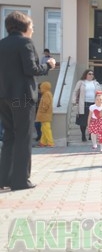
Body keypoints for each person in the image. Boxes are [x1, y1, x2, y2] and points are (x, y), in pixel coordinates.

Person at [0, 12, 55, 191]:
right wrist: (49, 65)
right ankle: (20, 180)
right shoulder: (25, 43)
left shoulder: (2, 44)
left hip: (4, 97)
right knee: (23, 137)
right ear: (24, 26)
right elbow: (31, 69)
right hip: (22, 97)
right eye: (31, 25)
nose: (33, 29)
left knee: (9, 137)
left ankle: (4, 179)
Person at [73, 69, 102, 142]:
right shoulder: (81, 82)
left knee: (93, 120)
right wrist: (74, 100)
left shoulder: (96, 83)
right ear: (86, 74)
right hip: (84, 103)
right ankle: (83, 135)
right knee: (83, 120)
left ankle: (91, 134)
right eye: (89, 74)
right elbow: (75, 91)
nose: (91, 75)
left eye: (92, 74)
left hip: (93, 103)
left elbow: (100, 93)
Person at [35, 82, 54, 147]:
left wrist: (42, 111)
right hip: (45, 115)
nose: (40, 89)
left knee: (46, 129)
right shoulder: (48, 93)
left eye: (41, 87)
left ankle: (50, 142)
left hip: (45, 115)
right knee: (44, 129)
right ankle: (43, 142)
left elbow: (46, 104)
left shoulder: (46, 94)